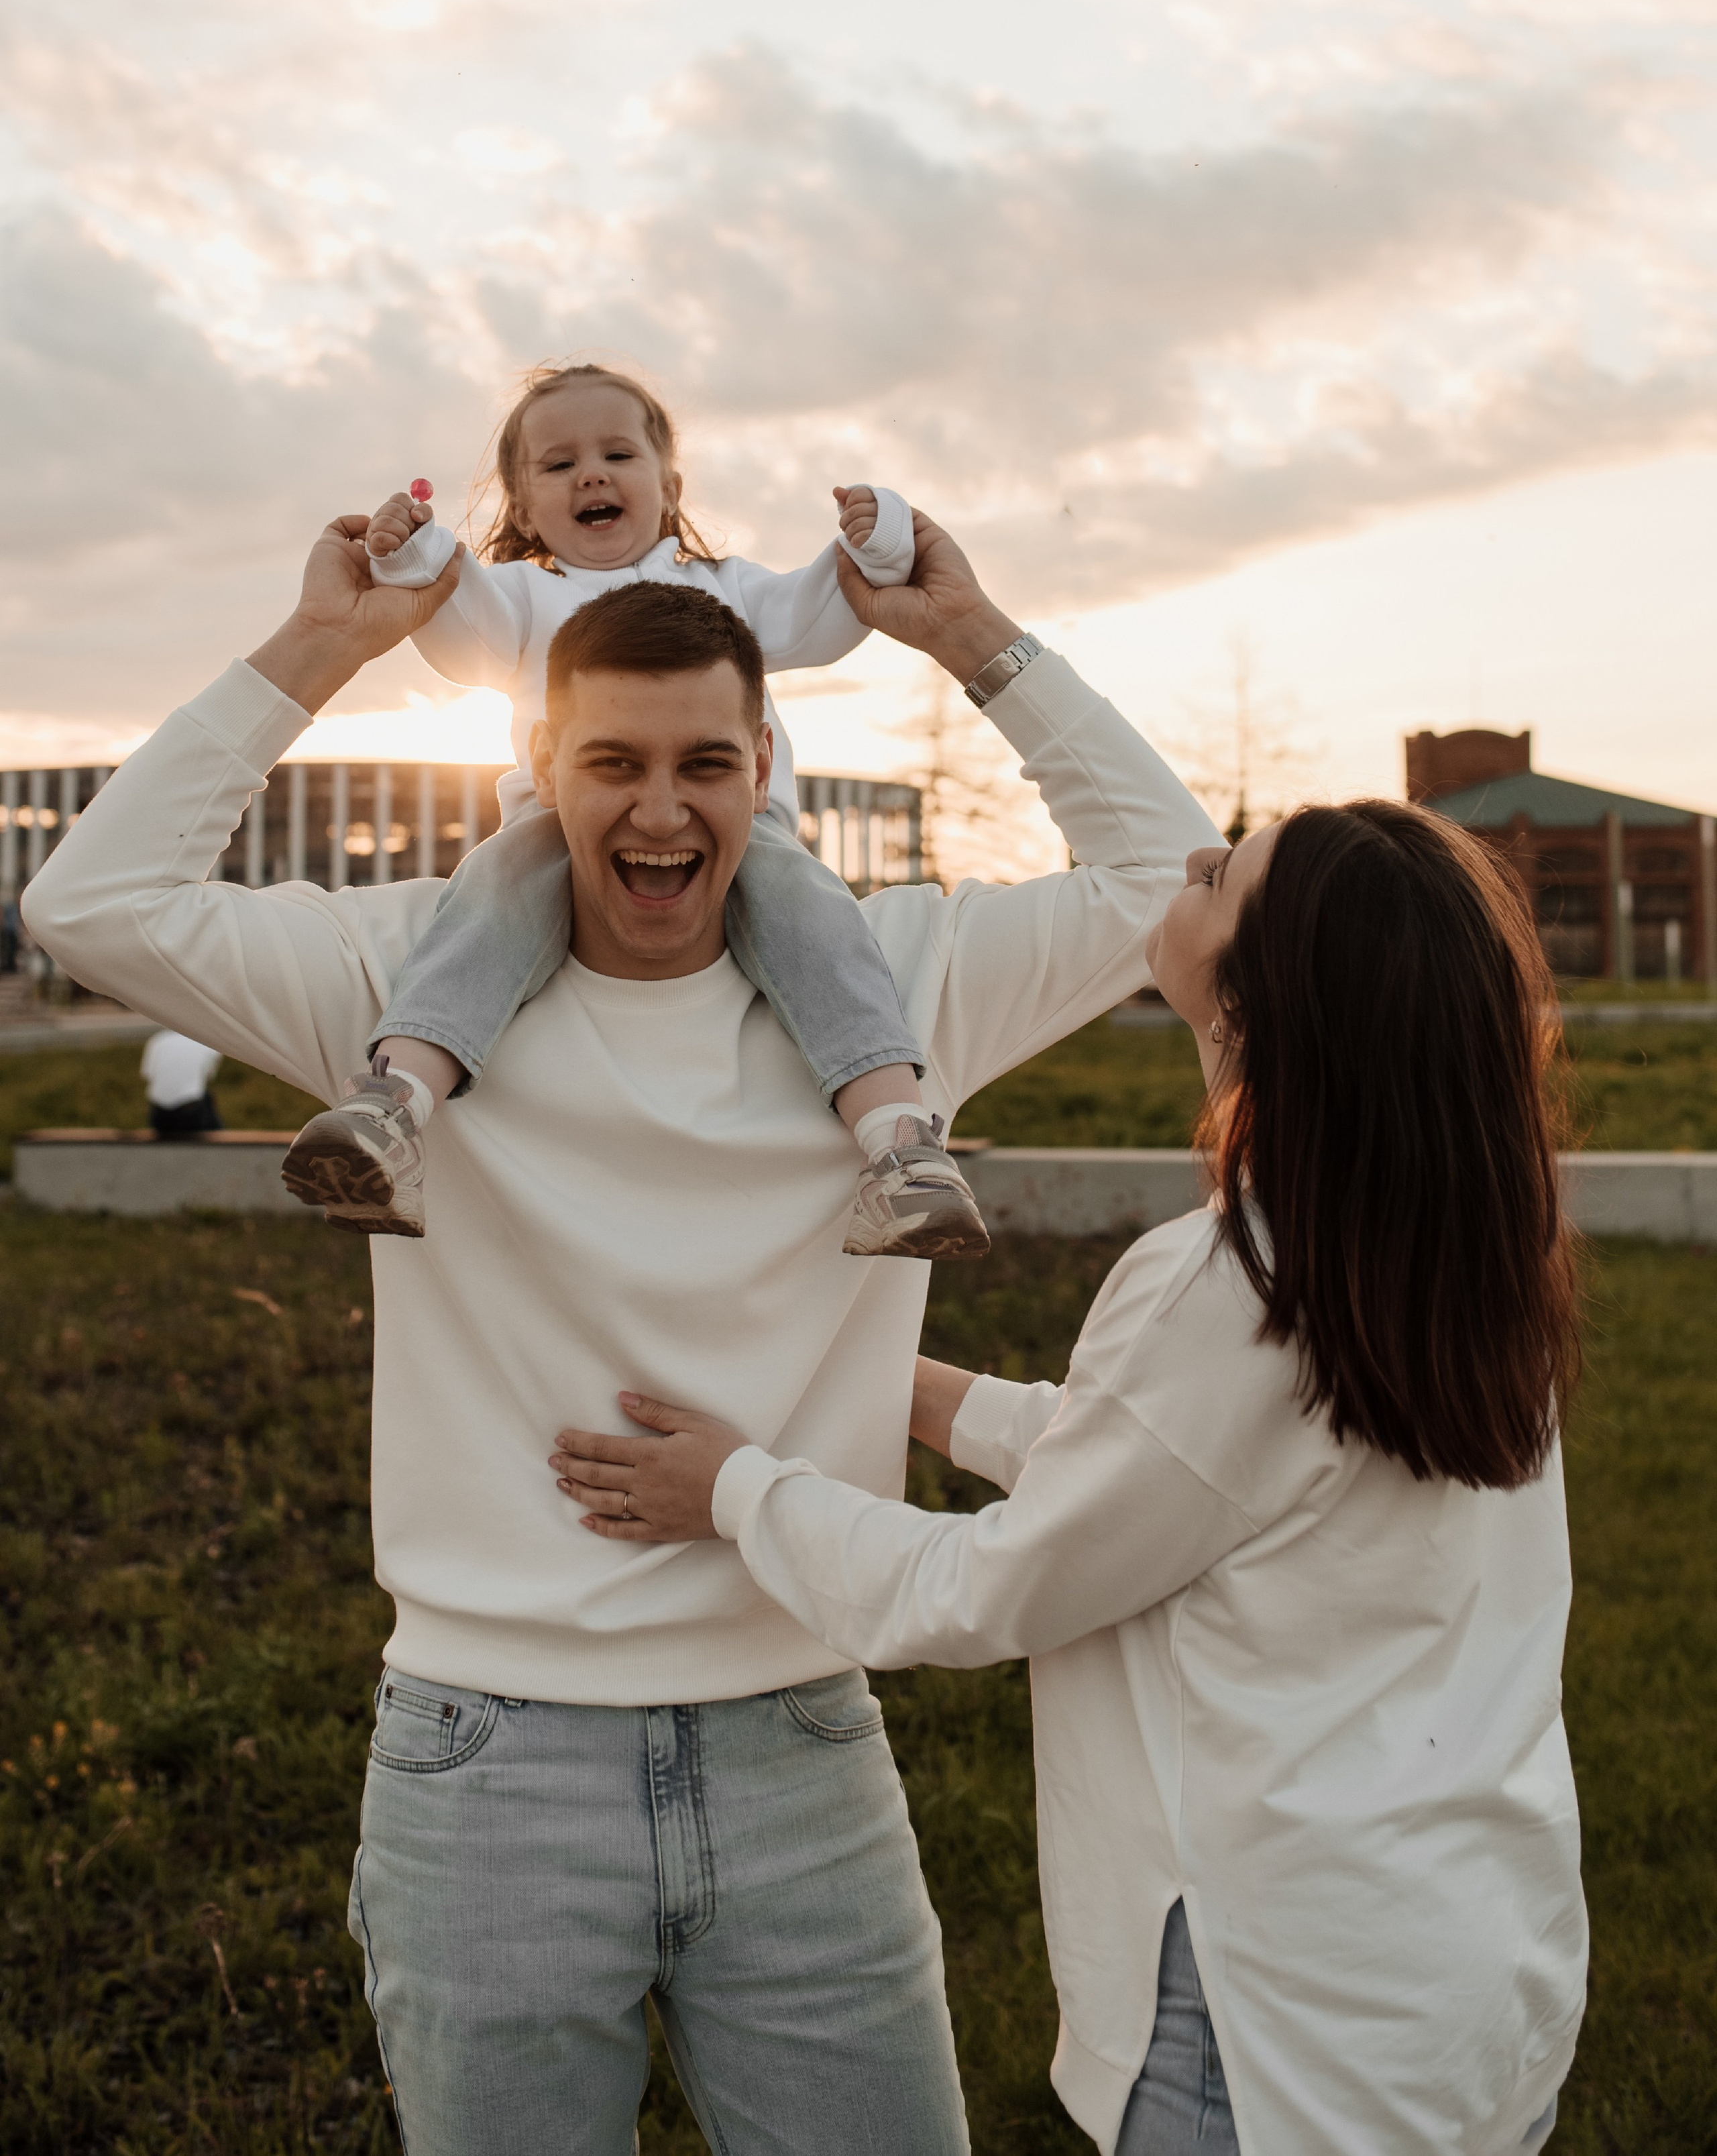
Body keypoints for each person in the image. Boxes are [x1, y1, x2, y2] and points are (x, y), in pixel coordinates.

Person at [22, 500, 1218, 2156]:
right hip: (485, 1761)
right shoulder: (403, 983)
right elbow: (87, 904)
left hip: (801, 1737)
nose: (660, 807)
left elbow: (1176, 878)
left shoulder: (901, 983)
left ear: (764, 773)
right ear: (541, 774)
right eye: (613, 765)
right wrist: (325, 645)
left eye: (705, 766)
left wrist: (971, 638)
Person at [552, 799, 1589, 2154]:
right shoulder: (1446, 1255)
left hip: (1274, 2025)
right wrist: (897, 1395)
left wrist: (736, 1493)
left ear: (1266, 989)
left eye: (1226, 876)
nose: (1190, 862)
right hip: (1467, 1976)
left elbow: (994, 1589)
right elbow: (1183, 1477)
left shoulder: (1229, 1283)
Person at [282, 358, 988, 1262]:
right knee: (488, 901)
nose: (591, 473)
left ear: (669, 485)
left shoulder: (728, 587)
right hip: (558, 822)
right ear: (524, 506)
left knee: (817, 920)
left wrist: (877, 539)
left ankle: (903, 1146)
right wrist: (416, 554)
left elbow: (823, 609)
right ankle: (391, 1104)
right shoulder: (524, 597)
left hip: (746, 828)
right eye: (558, 462)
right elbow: (458, 630)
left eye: (618, 452)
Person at [141, 1028, 223, 1136]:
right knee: (208, 1101)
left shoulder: (158, 1040)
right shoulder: (208, 1044)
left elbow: (147, 1074)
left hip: (159, 1113)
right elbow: (209, 1077)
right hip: (190, 1112)